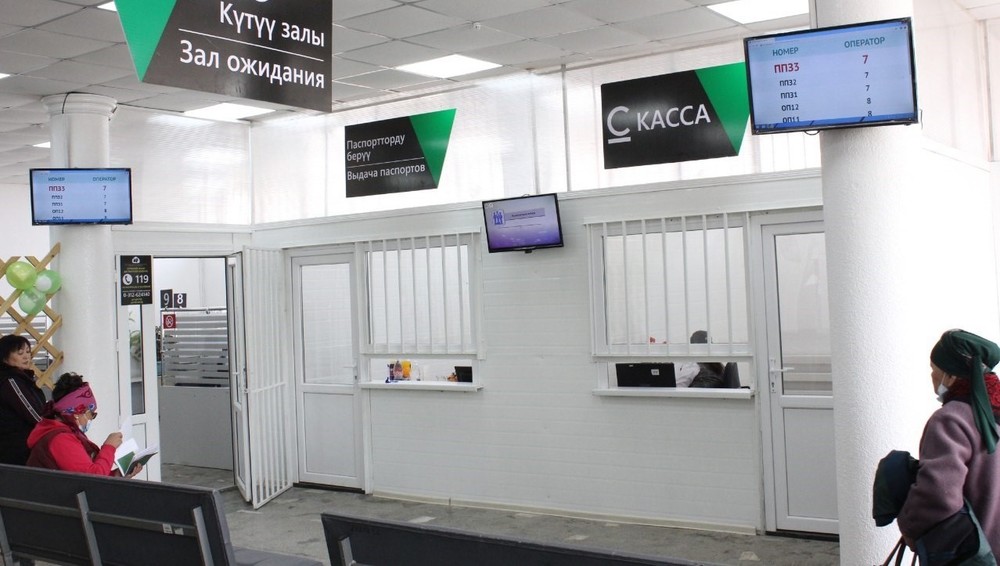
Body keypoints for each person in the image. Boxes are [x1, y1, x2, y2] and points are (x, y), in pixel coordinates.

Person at [897, 329, 1000, 556]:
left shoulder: (951, 419)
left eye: (934, 370)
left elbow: (938, 494)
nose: (932, 377)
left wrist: (909, 527)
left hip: (979, 554)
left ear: (951, 376)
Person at [25, 372, 141, 477]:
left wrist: (118, 475)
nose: (91, 419)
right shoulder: (61, 439)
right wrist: (109, 447)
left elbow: (88, 473)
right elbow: (92, 477)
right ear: (77, 413)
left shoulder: (63, 432)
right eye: (91, 414)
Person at [0, 334, 46, 465]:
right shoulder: (11, 381)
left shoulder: (22, 379)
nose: (26, 357)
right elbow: (34, 414)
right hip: (15, 451)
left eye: (28, 352)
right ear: (5, 357)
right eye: (20, 353)